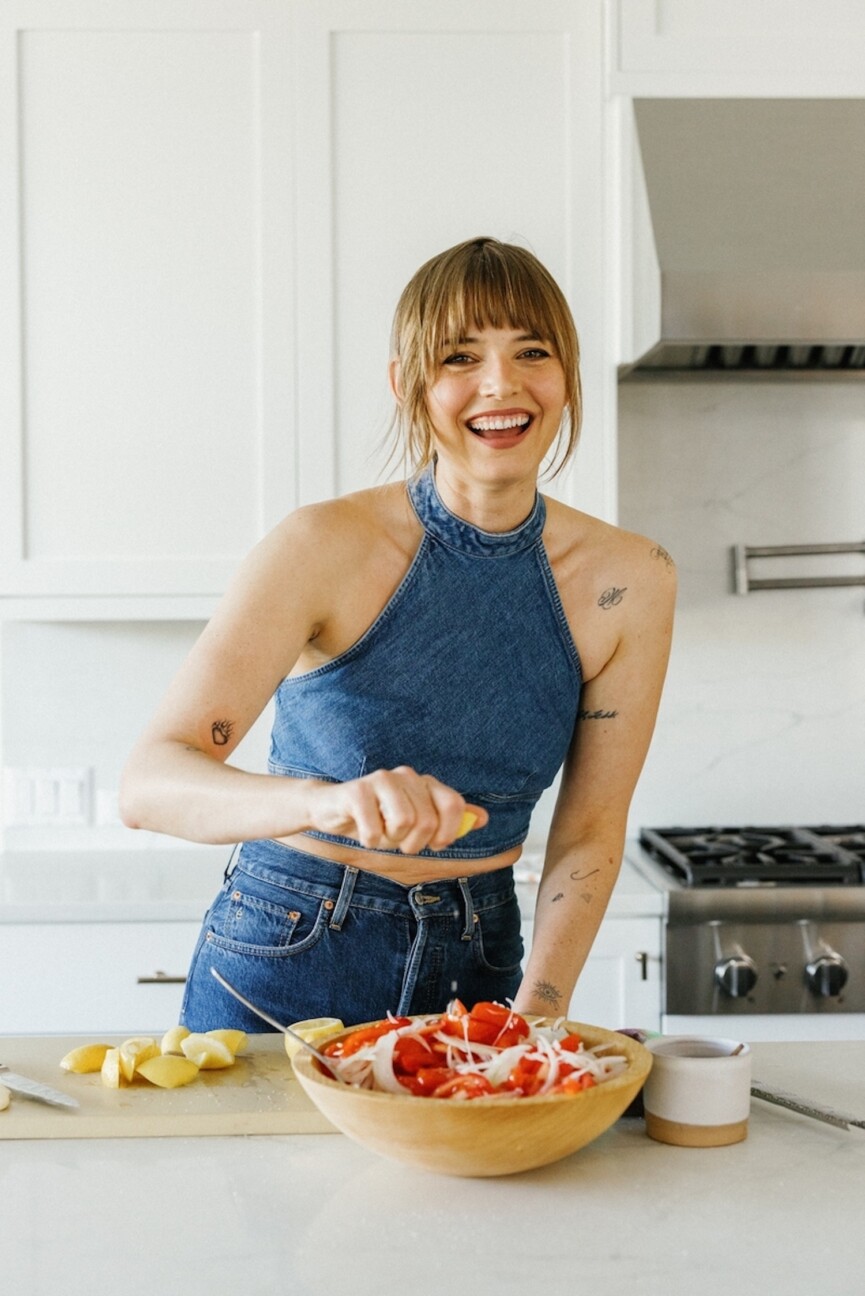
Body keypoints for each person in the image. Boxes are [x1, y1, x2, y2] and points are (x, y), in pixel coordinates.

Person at [120, 236, 676, 1033]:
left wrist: (537, 1015)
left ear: (566, 376)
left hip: (483, 956)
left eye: (531, 352)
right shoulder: (319, 546)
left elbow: (589, 831)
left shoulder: (634, 580)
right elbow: (149, 784)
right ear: (406, 383)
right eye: (459, 357)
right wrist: (330, 801)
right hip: (291, 941)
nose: (501, 385)